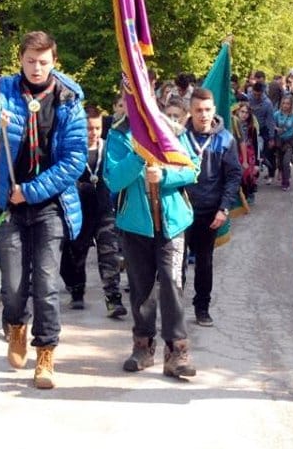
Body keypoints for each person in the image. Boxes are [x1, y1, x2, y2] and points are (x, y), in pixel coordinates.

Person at [0, 30, 87, 389]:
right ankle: (16, 325)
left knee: (47, 284)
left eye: (43, 62)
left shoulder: (69, 100)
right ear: (20, 59)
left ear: (54, 62)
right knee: (13, 286)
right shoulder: (1, 93)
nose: (36, 68)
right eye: (30, 61)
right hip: (10, 206)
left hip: (50, 205)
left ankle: (46, 353)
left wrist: (30, 192)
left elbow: (75, 160)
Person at [104, 101, 200, 379]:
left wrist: (165, 175)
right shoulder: (118, 134)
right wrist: (139, 154)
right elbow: (113, 179)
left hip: (172, 223)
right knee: (140, 286)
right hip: (135, 224)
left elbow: (192, 169)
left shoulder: (171, 130)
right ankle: (143, 347)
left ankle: (177, 350)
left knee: (171, 283)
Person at [179, 88, 242, 327]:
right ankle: (174, 310)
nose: (203, 115)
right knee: (176, 263)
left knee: (204, 262)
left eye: (207, 110)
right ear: (190, 111)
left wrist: (223, 208)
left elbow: (233, 176)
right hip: (181, 210)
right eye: (198, 110)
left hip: (209, 211)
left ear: (214, 110)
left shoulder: (225, 139)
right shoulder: (179, 137)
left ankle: (202, 308)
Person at [59, 105, 127, 318]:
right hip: (79, 211)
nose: (93, 132)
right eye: (89, 128)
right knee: (75, 253)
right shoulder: (73, 149)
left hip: (104, 209)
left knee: (109, 253)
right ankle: (77, 290)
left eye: (97, 128)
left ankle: (113, 298)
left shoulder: (108, 148)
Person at [230, 100, 260, 204]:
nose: (244, 115)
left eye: (247, 113)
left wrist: (257, 163)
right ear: (237, 111)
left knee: (248, 174)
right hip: (236, 153)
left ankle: (250, 194)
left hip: (249, 154)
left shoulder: (252, 128)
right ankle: (240, 196)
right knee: (238, 175)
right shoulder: (233, 125)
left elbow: (256, 144)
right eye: (242, 112)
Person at [274, 94, 293, 191]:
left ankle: (286, 182)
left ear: (291, 105)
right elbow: (272, 125)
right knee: (280, 162)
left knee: (286, 162)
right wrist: (277, 129)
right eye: (283, 103)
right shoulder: (276, 114)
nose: (285, 105)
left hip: (290, 142)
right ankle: (283, 174)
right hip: (279, 142)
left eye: (287, 104)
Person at [248, 81, 276, 184]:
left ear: (262, 92)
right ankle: (253, 176)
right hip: (251, 129)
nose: (256, 97)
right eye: (255, 94)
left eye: (258, 95)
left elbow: (270, 121)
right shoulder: (248, 99)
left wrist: (271, 137)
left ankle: (271, 173)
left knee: (268, 153)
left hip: (263, 129)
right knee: (253, 153)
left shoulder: (267, 103)